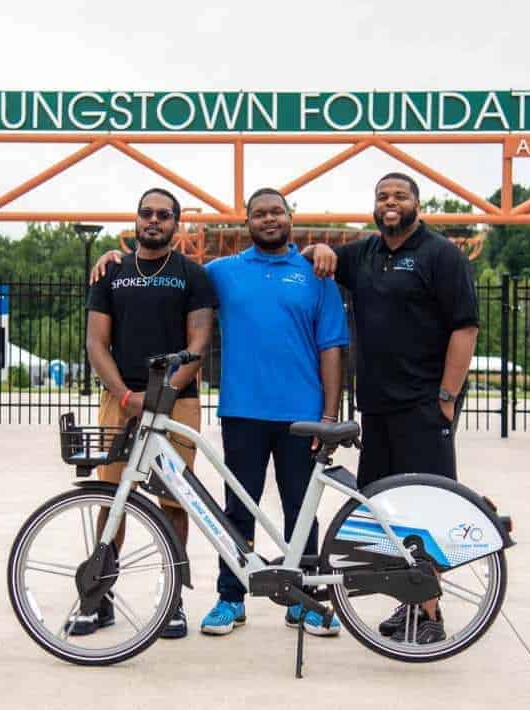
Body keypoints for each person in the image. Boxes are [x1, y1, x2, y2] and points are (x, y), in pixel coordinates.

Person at [91, 188, 349, 639]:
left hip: (303, 412)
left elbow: (332, 348)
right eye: (259, 214)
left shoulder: (316, 273)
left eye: (276, 212)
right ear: (247, 221)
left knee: (300, 510)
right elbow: (162, 267)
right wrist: (117, 256)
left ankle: (305, 599)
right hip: (243, 411)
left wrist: (329, 415)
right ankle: (232, 597)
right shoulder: (220, 273)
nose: (268, 220)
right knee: (235, 510)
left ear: (290, 217)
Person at [302, 172, 480, 645]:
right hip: (377, 411)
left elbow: (465, 327)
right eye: (382, 196)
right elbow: (317, 259)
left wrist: (446, 397)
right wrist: (319, 248)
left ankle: (430, 613)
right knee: (385, 514)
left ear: (417, 203)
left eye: (400, 195)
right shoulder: (365, 253)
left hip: (424, 407)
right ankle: (407, 607)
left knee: (427, 511)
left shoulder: (440, 254)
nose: (390, 202)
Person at [81, 187, 217, 640]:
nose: (154, 220)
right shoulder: (111, 272)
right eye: (146, 213)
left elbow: (198, 342)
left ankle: (173, 600)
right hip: (122, 401)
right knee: (111, 498)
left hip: (177, 400)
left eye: (164, 214)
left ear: (177, 223)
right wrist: (125, 396)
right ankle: (99, 597)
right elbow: (97, 342)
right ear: (135, 220)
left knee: (174, 499)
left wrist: (162, 393)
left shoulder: (193, 274)